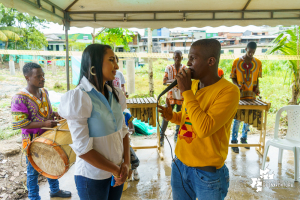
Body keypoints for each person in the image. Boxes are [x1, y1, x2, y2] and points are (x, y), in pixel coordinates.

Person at [158, 39, 239, 200]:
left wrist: (186, 92)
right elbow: (189, 117)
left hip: (206, 173)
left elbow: (204, 129)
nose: (187, 63)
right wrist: (172, 116)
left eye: (193, 58)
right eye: (188, 58)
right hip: (180, 165)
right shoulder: (194, 86)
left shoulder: (228, 91)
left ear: (211, 61)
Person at [58, 44, 130, 200]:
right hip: (92, 177)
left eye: (116, 60)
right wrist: (116, 169)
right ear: (94, 65)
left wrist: (126, 163)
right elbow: (83, 149)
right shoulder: (80, 97)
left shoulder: (115, 94)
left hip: (117, 171)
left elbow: (123, 131)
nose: (117, 66)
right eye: (111, 60)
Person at [11, 62, 71, 200]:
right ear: (27, 77)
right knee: (33, 171)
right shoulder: (19, 98)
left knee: (52, 163)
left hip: (48, 137)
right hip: (32, 141)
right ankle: (33, 196)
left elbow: (46, 112)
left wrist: (54, 114)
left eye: (43, 75)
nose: (42, 78)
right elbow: (21, 123)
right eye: (38, 76)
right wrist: (45, 123)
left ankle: (55, 190)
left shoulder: (44, 92)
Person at [230, 42, 262, 153]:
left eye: (253, 52)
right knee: (237, 118)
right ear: (245, 49)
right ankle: (234, 141)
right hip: (239, 95)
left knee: (248, 118)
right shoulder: (236, 62)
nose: (251, 54)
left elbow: (257, 78)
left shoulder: (258, 63)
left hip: (251, 95)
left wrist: (257, 87)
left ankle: (244, 138)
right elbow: (233, 77)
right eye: (249, 51)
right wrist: (236, 85)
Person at [160, 50, 187, 146]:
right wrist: (176, 80)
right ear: (173, 58)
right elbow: (164, 81)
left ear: (182, 58)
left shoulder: (185, 68)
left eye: (179, 58)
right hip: (171, 96)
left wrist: (175, 81)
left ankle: (177, 136)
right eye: (175, 57)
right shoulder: (168, 67)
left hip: (181, 96)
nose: (177, 59)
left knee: (180, 117)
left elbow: (186, 81)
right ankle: (161, 137)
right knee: (166, 117)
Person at [123, 109, 140, 181]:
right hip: (116, 144)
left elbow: (132, 129)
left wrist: (127, 131)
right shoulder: (110, 115)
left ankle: (133, 169)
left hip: (125, 142)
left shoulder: (126, 115)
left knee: (135, 161)